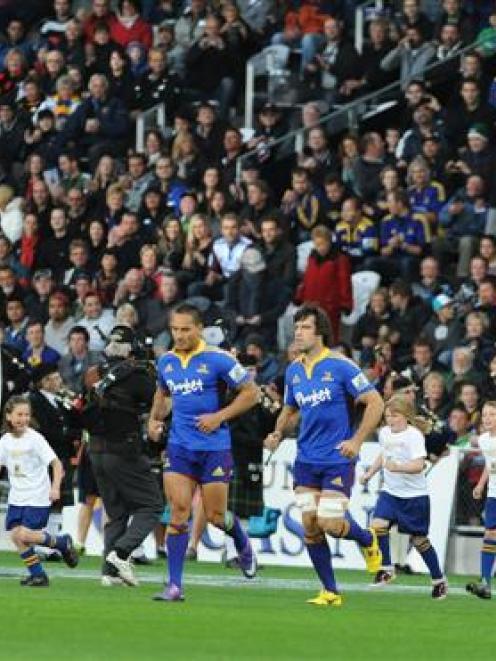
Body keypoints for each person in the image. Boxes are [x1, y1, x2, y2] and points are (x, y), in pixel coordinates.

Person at [264, 304, 384, 606]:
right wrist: (279, 432)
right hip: (306, 461)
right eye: (297, 328)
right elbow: (290, 409)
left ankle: (367, 539)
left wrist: (356, 441)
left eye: (304, 327)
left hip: (336, 459)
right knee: (310, 524)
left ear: (320, 332)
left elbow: (375, 402)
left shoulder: (341, 366)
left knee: (330, 522)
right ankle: (330, 591)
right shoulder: (293, 371)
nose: (298, 333)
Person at [148, 303, 259, 602]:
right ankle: (174, 585)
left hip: (214, 448)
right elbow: (163, 394)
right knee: (179, 512)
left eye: (185, 329)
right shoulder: (166, 362)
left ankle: (242, 543)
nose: (180, 335)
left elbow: (252, 393)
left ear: (199, 329)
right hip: (179, 447)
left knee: (215, 516)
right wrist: (153, 420)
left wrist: (219, 416)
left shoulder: (219, 359)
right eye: (175, 329)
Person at [82, 325, 163, 587]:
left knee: (116, 511)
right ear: (132, 349)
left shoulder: (94, 374)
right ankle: (121, 553)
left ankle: (109, 571)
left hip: (95, 450)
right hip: (123, 449)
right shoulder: (138, 375)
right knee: (151, 505)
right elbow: (160, 405)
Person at [361, 394, 448, 599]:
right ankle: (387, 568)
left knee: (419, 541)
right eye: (388, 416)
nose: (390, 420)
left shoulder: (414, 436)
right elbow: (383, 455)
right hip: (391, 492)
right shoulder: (384, 433)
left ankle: (438, 580)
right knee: (378, 524)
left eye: (395, 415)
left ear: (406, 416)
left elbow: (419, 465)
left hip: (414, 496)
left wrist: (398, 467)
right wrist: (370, 473)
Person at [0, 395, 79, 587]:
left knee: (25, 535)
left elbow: (57, 464)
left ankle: (61, 543)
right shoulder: (5, 440)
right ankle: (38, 575)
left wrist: (55, 488)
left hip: (37, 495)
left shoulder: (35, 439)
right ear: (9, 416)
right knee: (16, 536)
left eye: (27, 415)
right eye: (19, 414)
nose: (23, 419)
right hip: (17, 497)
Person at [466, 400, 496, 600]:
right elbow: (489, 464)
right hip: (493, 494)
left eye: (492, 415)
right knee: (490, 534)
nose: (487, 419)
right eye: (485, 415)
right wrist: (480, 485)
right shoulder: (485, 440)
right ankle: (485, 582)